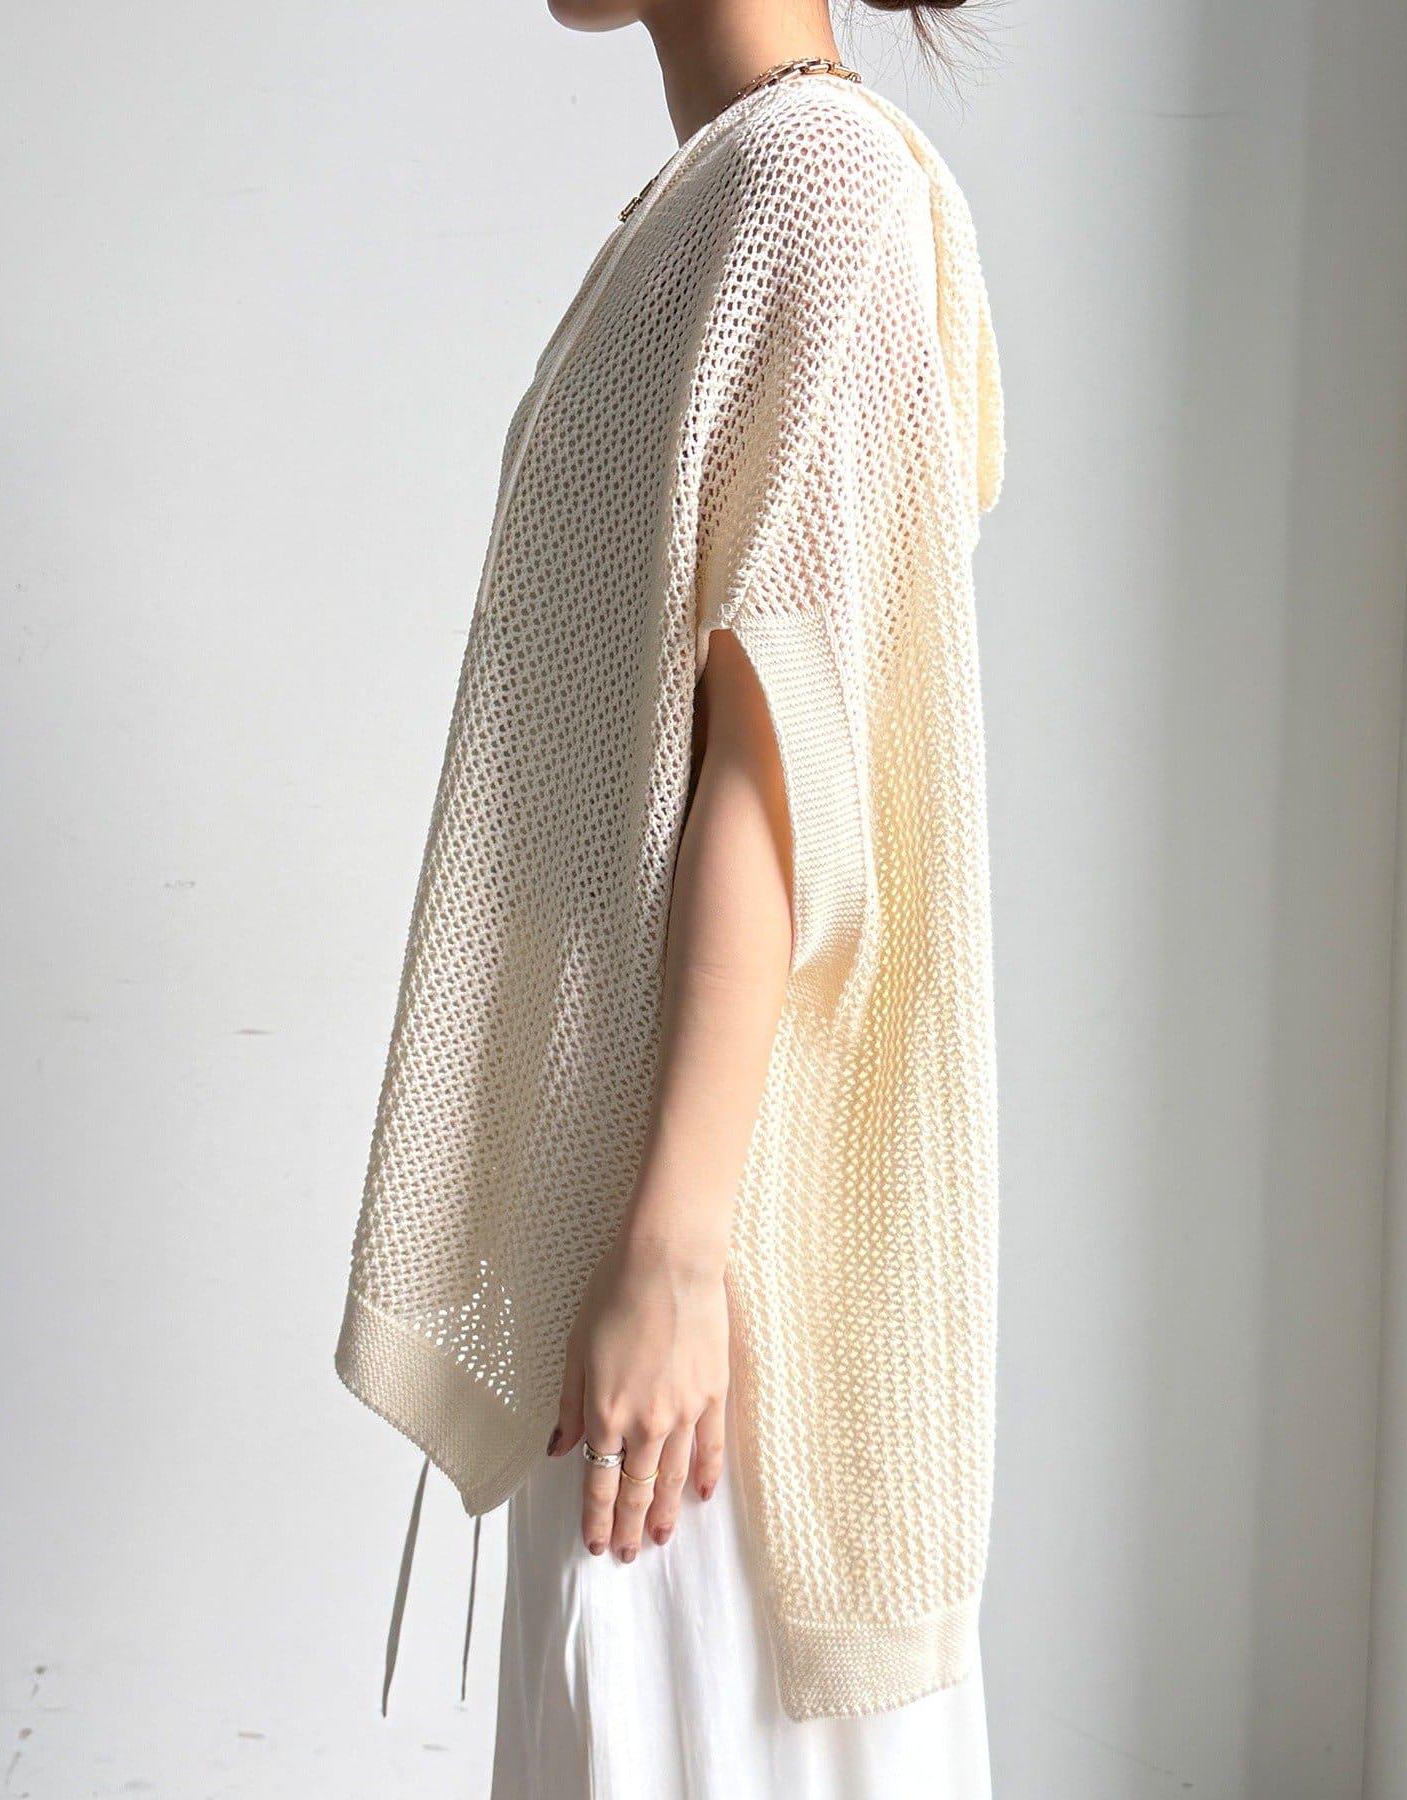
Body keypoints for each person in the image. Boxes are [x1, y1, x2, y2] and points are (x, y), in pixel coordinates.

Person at [333, 1, 1006, 1793]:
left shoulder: (820, 186)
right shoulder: (727, 188)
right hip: (649, 1216)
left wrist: (676, 1253)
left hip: (723, 1267)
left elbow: (779, 762)